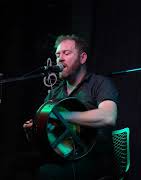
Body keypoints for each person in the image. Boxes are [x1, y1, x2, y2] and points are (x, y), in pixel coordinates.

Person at [22, 34, 119, 180]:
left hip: (94, 157)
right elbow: (48, 137)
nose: (60, 58)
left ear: (82, 58)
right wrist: (34, 132)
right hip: (63, 156)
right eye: (57, 55)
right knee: (19, 165)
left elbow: (109, 117)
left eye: (66, 53)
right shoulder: (54, 94)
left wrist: (64, 116)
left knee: (48, 174)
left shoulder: (99, 83)